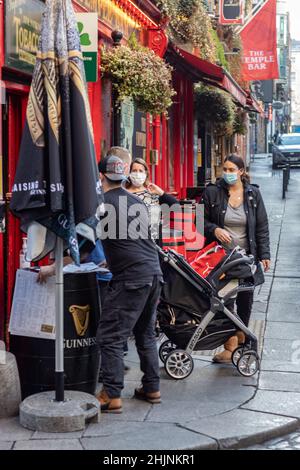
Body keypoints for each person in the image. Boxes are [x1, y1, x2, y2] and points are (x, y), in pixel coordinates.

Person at [97, 154, 163, 413]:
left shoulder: (101, 204)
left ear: (101, 175)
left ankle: (111, 394)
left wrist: (55, 265)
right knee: (145, 333)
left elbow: (85, 241)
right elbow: (135, 240)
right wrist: (112, 261)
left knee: (110, 335)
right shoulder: (136, 201)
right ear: (123, 176)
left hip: (131, 279)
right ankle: (152, 387)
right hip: (153, 274)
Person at [201, 154, 271, 363]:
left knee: (245, 300)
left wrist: (265, 255)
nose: (227, 173)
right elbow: (199, 220)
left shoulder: (253, 195)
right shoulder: (212, 192)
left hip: (246, 259)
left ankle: (241, 341)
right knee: (223, 300)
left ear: (241, 171)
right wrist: (215, 230)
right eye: (225, 169)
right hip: (220, 258)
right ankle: (230, 345)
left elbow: (261, 227)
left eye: (232, 170)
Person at [126, 158, 178, 239]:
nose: (137, 174)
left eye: (141, 171)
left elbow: (175, 205)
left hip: (154, 242)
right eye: (134, 171)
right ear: (129, 173)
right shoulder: (124, 194)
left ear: (146, 173)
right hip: (133, 242)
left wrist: (161, 192)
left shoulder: (153, 193)